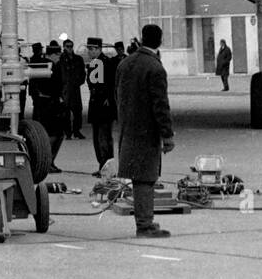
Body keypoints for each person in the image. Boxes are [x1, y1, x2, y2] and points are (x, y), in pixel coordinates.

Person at [115, 23, 175, 239]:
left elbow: (117, 96)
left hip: (128, 130)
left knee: (139, 178)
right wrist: (167, 135)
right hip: (146, 132)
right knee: (145, 179)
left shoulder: (125, 63)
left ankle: (145, 220)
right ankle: (144, 225)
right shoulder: (155, 67)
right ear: (159, 40)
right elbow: (161, 105)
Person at [29, 41, 68, 173]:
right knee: (54, 134)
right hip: (49, 105)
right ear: (53, 54)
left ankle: (49, 161)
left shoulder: (43, 65)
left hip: (48, 104)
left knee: (57, 134)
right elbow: (46, 87)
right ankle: (48, 161)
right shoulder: (48, 66)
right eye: (58, 55)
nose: (59, 57)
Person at [85, 37, 118, 174]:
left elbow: (112, 84)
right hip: (96, 104)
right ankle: (102, 166)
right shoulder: (94, 63)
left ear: (99, 49)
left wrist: (109, 99)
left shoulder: (106, 63)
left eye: (92, 49)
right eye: (89, 49)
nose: (90, 52)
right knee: (97, 139)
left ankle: (107, 167)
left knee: (104, 138)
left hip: (104, 105)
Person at [59, 38, 86, 139]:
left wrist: (79, 81)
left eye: (71, 46)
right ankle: (68, 132)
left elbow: (83, 72)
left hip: (75, 88)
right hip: (65, 89)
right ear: (64, 47)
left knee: (78, 110)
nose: (69, 49)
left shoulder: (78, 59)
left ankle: (76, 130)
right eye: (67, 46)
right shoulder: (61, 59)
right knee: (65, 112)